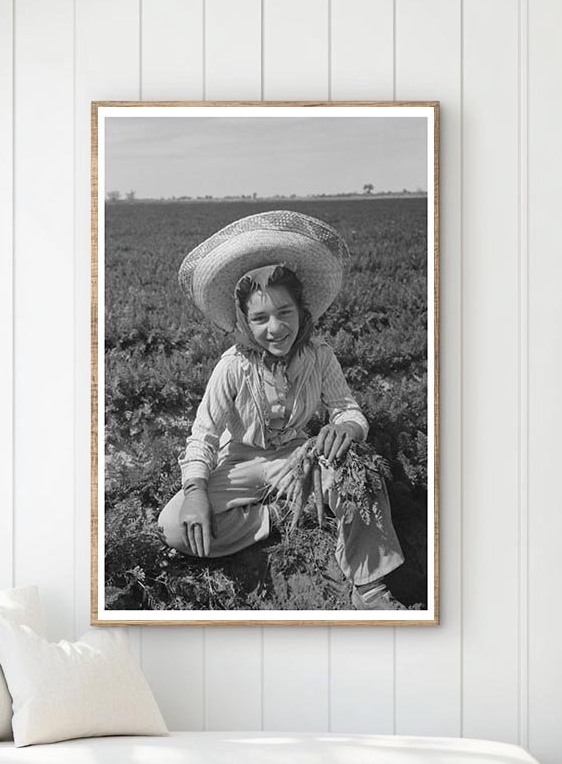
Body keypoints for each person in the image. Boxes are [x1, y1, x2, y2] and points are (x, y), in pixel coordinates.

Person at [158, 210, 404, 610]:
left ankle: (370, 586)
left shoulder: (319, 357)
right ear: (245, 323)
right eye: (260, 318)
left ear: (301, 312)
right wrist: (195, 491)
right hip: (239, 462)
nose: (275, 328)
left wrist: (348, 429)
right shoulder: (233, 366)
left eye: (284, 313)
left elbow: (348, 410)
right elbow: (202, 435)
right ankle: (283, 513)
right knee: (175, 526)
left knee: (364, 477)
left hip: (296, 457)